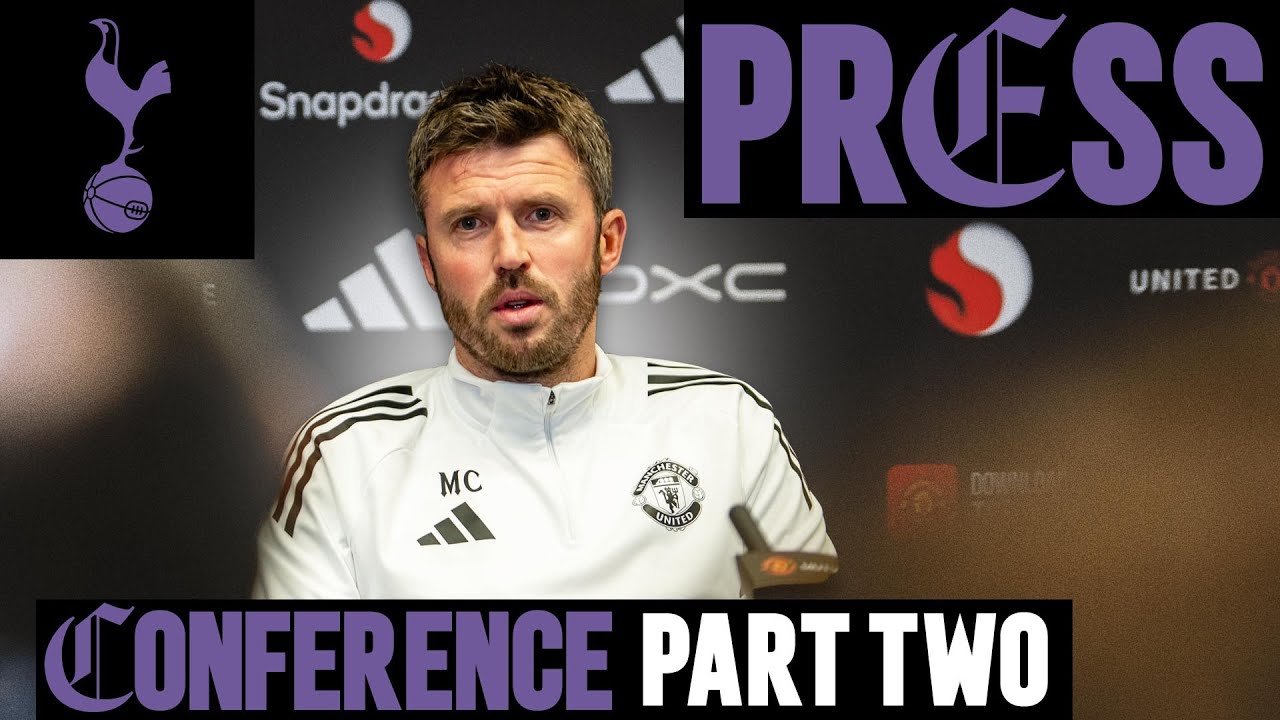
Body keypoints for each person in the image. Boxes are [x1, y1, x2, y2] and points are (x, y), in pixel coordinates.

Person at [251, 64, 835, 599]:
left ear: (607, 242)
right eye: (470, 223)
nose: (510, 254)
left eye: (541, 214)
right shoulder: (343, 456)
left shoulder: (730, 425)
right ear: (428, 264)